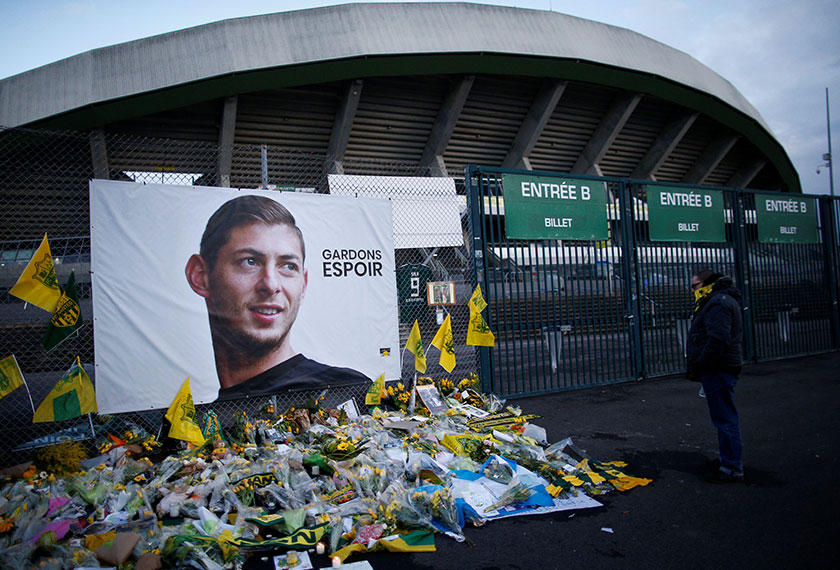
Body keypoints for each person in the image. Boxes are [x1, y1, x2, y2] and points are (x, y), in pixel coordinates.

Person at [185, 195, 369, 400]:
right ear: (200, 276)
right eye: (249, 262)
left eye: (288, 266)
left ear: (303, 284)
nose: (271, 285)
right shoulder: (186, 421)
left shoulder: (346, 393)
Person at [686, 269, 745, 483]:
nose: (692, 290)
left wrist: (703, 363)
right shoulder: (720, 300)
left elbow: (718, 338)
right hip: (721, 365)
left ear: (706, 284)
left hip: (719, 367)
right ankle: (728, 461)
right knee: (724, 416)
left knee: (724, 418)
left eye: (695, 286)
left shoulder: (718, 302)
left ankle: (731, 467)